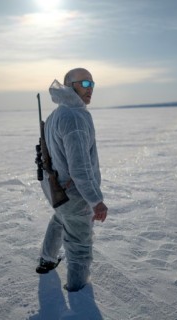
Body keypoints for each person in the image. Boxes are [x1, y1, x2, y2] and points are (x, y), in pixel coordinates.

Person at [36, 67, 108, 292]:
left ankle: (47, 259)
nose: (90, 89)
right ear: (70, 86)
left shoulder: (57, 114)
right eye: (85, 84)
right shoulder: (74, 118)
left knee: (60, 218)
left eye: (92, 84)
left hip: (57, 190)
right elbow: (80, 169)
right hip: (74, 193)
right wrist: (96, 200)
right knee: (80, 246)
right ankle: (78, 292)